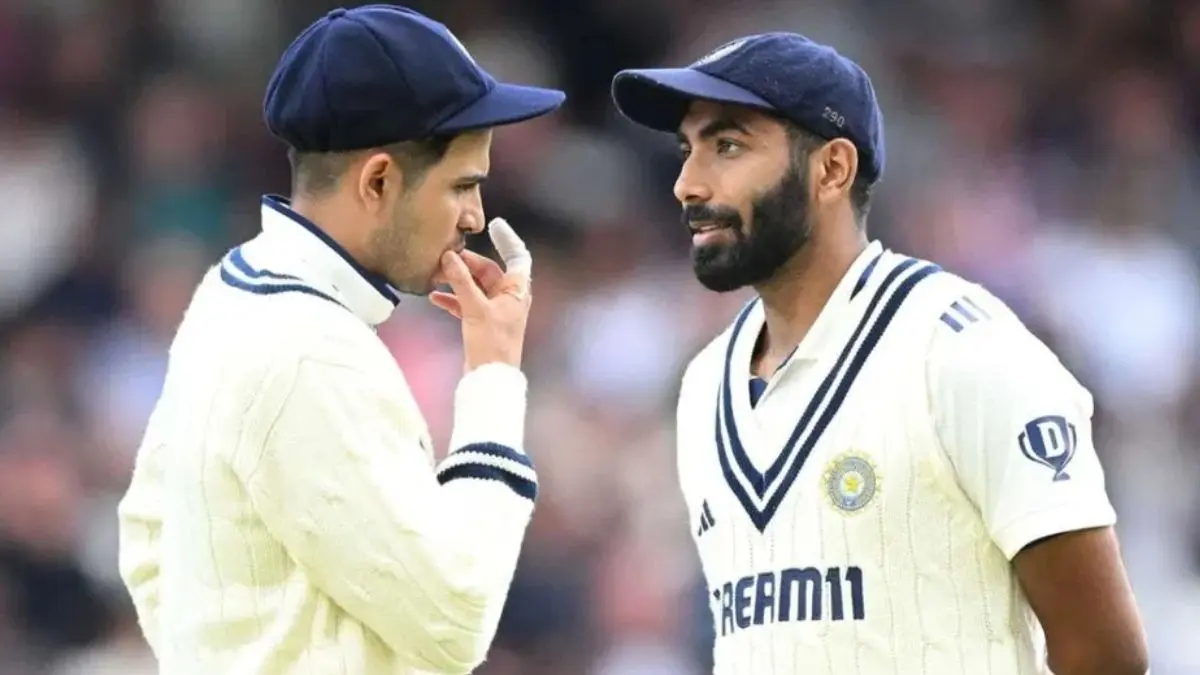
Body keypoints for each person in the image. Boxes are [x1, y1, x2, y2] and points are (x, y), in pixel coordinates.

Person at [611, 33, 1149, 674]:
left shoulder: (961, 351)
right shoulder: (704, 383)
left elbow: (1106, 654)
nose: (687, 184)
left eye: (727, 146)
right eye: (687, 150)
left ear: (832, 170)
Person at [116, 5, 564, 674]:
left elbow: (146, 543)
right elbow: (457, 616)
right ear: (378, 180)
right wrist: (493, 377)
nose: (475, 216)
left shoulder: (232, 290)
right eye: (463, 185)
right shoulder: (309, 349)